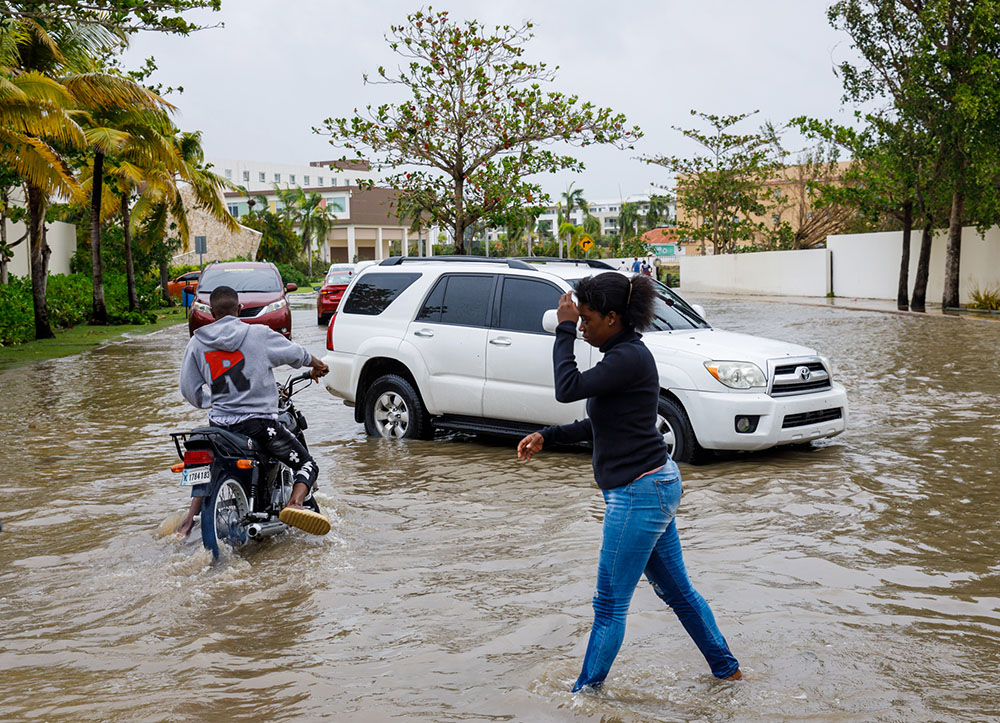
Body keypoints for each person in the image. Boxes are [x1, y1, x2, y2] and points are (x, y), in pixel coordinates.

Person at [516, 272, 741, 692]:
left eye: (586, 319)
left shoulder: (628, 359)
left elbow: (567, 388)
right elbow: (601, 423)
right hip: (653, 485)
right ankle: (727, 672)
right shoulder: (622, 357)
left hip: (640, 492)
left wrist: (562, 329)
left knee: (609, 605)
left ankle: (584, 697)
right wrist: (548, 435)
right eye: (577, 321)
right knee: (678, 593)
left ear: (613, 318)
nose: (581, 328)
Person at [176, 285, 331, 537]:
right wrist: (318, 365)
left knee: (212, 465)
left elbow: (189, 389)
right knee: (306, 463)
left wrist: (213, 401)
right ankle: (295, 504)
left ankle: (186, 524)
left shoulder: (196, 342)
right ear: (239, 309)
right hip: (258, 425)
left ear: (211, 313)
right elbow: (296, 353)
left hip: (219, 428)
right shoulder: (258, 334)